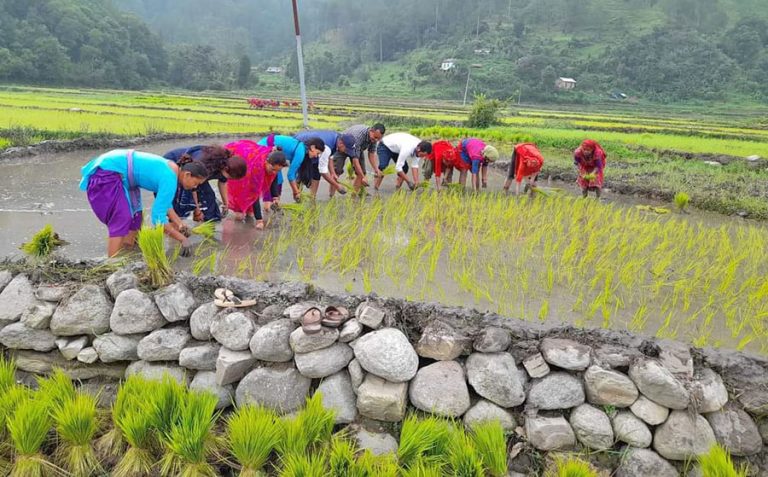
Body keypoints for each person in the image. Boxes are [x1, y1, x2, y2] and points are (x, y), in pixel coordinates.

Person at [80, 149, 208, 257]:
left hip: (125, 177)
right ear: (187, 175)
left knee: (136, 218)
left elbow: (166, 205)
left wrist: (180, 225)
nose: (194, 187)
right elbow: (158, 218)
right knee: (122, 218)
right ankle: (111, 264)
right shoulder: (170, 178)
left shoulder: (172, 172)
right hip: (108, 171)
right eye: (196, 183)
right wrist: (182, 239)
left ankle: (126, 253)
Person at [162, 145, 247, 222]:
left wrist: (226, 203)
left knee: (210, 199)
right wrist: (197, 210)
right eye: (230, 177)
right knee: (182, 202)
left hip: (196, 176)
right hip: (176, 167)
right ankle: (175, 223)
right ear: (225, 168)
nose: (229, 179)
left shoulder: (225, 165)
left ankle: (211, 223)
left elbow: (223, 183)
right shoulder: (205, 164)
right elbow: (193, 187)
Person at [224, 140, 288, 229]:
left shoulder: (273, 163)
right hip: (239, 167)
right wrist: (259, 220)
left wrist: (275, 197)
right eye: (273, 169)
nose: (274, 172)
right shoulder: (258, 169)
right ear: (267, 161)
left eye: (277, 170)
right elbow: (255, 194)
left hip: (249, 165)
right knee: (239, 216)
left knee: (250, 213)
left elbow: (273, 178)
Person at [256, 135, 325, 202]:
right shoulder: (301, 152)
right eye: (317, 153)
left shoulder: (302, 149)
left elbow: (294, 174)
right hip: (265, 148)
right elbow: (290, 175)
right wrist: (296, 192)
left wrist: (296, 191)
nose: (316, 156)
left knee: (279, 180)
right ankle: (268, 206)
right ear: (312, 147)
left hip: (272, 151)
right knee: (272, 178)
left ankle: (275, 203)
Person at [293, 130, 355, 198]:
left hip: (312, 146)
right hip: (301, 145)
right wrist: (337, 186)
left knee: (316, 172)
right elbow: (323, 171)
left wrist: (333, 173)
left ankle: (312, 197)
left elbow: (330, 157)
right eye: (346, 150)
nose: (346, 152)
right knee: (302, 174)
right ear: (341, 144)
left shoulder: (337, 138)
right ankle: (297, 197)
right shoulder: (327, 147)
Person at [333, 123, 386, 191]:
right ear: (371, 130)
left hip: (358, 149)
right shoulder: (358, 136)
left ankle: (353, 196)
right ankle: (331, 196)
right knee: (336, 172)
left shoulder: (374, 139)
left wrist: (376, 169)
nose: (376, 140)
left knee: (361, 173)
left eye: (378, 139)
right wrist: (363, 177)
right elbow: (355, 160)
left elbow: (371, 154)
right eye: (375, 137)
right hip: (342, 146)